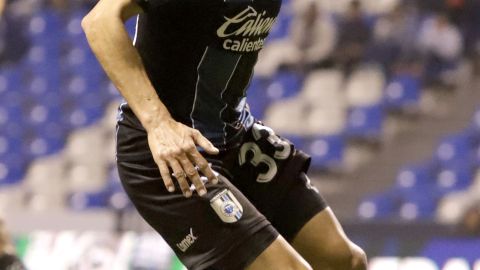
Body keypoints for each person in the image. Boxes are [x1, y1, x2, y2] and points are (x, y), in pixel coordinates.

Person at [82, 0, 367, 269]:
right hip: (172, 154)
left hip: (234, 135)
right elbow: (99, 21)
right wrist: (158, 123)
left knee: (346, 262)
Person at [255, 0, 336, 77]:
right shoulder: (299, 24)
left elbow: (324, 49)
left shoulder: (325, 27)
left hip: (317, 58)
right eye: (308, 12)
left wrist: (308, 55)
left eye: (312, 12)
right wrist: (300, 54)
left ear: (317, 13)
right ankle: (265, 74)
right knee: (277, 50)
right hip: (300, 53)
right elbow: (294, 42)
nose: (310, 14)